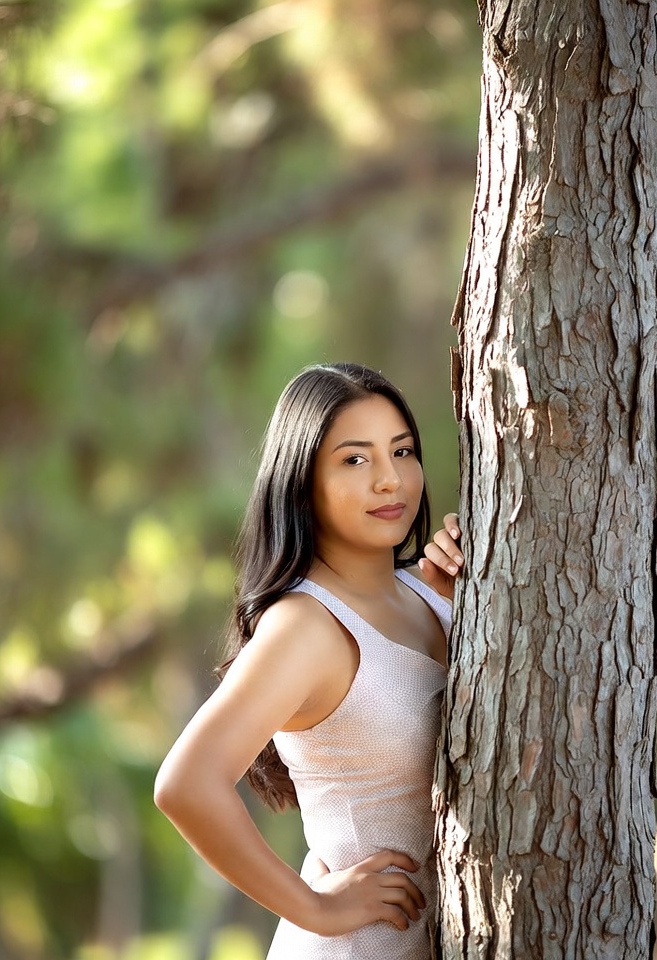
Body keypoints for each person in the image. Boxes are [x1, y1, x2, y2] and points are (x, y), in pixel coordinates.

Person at [154, 361, 464, 960]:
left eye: (402, 452)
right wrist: (316, 907)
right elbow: (186, 783)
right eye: (355, 459)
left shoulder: (431, 593)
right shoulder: (307, 627)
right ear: (302, 483)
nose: (389, 480)